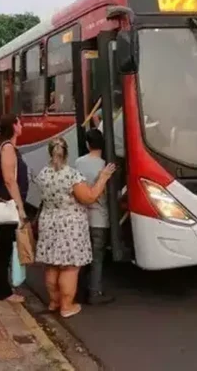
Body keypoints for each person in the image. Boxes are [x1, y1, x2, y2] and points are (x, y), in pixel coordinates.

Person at [35, 137, 115, 318]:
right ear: (66, 153)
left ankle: (54, 302)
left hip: (48, 223)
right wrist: (103, 178)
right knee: (69, 267)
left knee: (52, 266)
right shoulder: (72, 175)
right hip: (70, 226)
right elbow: (89, 197)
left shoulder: (43, 174)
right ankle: (67, 306)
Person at [0, 114, 30, 303]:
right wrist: (20, 207)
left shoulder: (5, 146)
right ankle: (0, 290)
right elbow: (9, 179)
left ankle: (1, 287)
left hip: (6, 202)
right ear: (13, 126)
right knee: (6, 246)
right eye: (19, 123)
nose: (22, 125)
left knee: (6, 245)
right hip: (8, 204)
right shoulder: (7, 148)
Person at [75, 129, 115, 305]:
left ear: (87, 144)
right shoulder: (106, 166)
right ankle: (94, 292)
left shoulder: (77, 163)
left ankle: (77, 290)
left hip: (82, 217)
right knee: (97, 258)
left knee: (82, 256)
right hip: (100, 218)